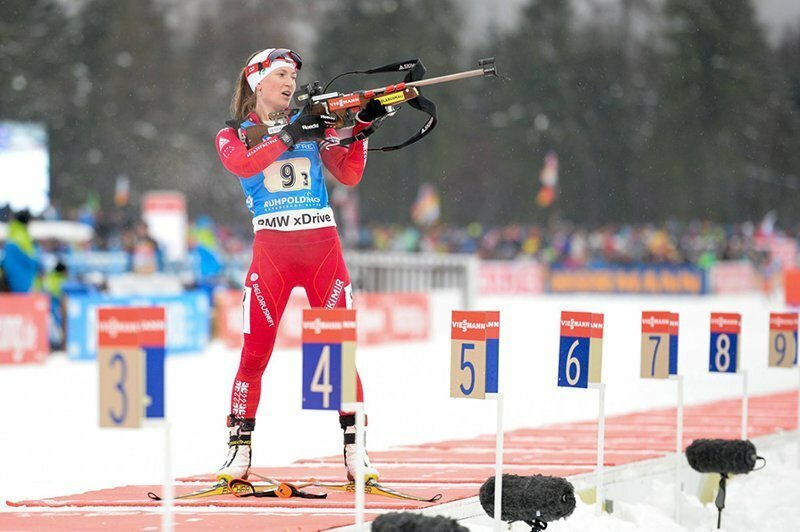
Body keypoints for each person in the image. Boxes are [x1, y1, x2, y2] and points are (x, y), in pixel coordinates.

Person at [214, 48, 388, 483]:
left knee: (337, 353)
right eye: (280, 74)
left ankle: (355, 451)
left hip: (322, 251)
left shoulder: (312, 123)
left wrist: (361, 129)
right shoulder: (234, 133)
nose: (290, 82)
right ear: (257, 82)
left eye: (293, 75)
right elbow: (244, 163)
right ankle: (239, 450)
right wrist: (291, 134)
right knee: (254, 355)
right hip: (272, 253)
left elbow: (348, 175)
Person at [1, 209, 40, 293]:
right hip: (22, 281)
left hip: (10, 280)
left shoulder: (12, 233)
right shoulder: (23, 236)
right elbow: (30, 261)